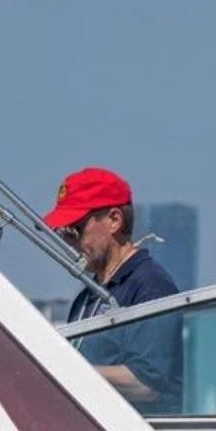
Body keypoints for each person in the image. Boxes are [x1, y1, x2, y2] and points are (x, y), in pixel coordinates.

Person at [43, 167, 182, 414]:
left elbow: (147, 382)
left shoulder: (151, 286)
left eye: (74, 230)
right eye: (63, 233)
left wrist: (62, 368)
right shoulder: (88, 296)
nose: (68, 242)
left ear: (114, 221)